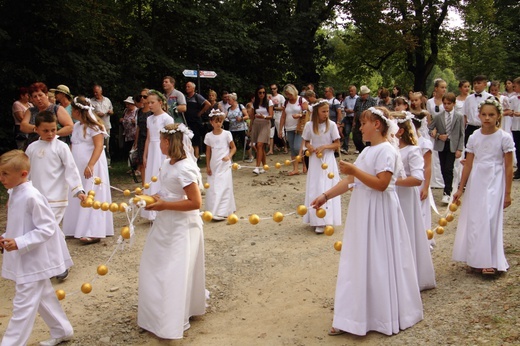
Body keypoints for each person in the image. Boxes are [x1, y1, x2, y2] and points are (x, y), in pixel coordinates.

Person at [312, 107, 423, 336]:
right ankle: (351, 317)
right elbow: (350, 181)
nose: (360, 128)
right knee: (357, 261)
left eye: (364, 123)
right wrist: (325, 196)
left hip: (380, 212)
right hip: (363, 210)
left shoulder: (387, 151)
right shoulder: (365, 152)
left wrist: (354, 170)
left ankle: (380, 316)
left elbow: (382, 184)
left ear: (377, 125)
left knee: (378, 261)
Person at [138, 122, 206, 339]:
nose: (159, 144)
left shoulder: (185, 168)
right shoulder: (168, 164)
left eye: (161, 141)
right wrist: (156, 198)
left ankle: (171, 321)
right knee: (155, 266)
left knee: (174, 271)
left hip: (181, 227)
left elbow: (195, 203)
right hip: (165, 224)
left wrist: (164, 205)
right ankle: (155, 315)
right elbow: (168, 190)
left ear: (168, 142)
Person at [0, 150, 74, 346]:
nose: (1, 178)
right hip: (27, 258)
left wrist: (20, 242)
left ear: (23, 174)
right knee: (44, 296)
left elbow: (47, 227)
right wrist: (7, 237)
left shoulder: (31, 196)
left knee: (22, 305)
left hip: (34, 259)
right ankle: (62, 330)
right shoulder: (15, 193)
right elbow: (20, 224)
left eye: (5, 174)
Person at [452, 98, 514, 275]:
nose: (487, 118)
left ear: (498, 116)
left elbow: (508, 166)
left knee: (490, 216)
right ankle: (476, 258)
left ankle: (490, 259)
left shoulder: (504, 137)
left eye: (491, 115)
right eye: (484, 114)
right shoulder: (474, 136)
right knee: (476, 218)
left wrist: (508, 193)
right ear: (478, 115)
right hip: (477, 179)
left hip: (495, 177)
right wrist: (460, 188)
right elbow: (469, 164)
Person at [62, 96, 114, 244]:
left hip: (93, 165)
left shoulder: (95, 127)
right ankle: (75, 227)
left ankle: (93, 230)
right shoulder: (77, 126)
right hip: (78, 165)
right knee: (79, 192)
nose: (71, 112)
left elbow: (98, 146)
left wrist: (91, 164)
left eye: (73, 110)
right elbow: (74, 145)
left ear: (79, 111)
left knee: (93, 193)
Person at [394, 111, 436, 290]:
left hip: (405, 195)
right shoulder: (391, 148)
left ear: (401, 131)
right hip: (392, 195)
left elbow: (418, 177)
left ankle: (413, 276)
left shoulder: (412, 150)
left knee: (408, 231)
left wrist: (391, 181)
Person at [302, 100, 341, 234]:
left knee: (327, 186)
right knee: (316, 186)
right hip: (315, 160)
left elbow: (337, 144)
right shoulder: (309, 125)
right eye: (323, 111)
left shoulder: (332, 125)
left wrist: (325, 146)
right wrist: (310, 147)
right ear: (316, 112)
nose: (326, 114)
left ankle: (326, 219)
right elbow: (306, 141)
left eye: (327, 111)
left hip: (328, 159)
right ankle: (316, 219)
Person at [141, 90, 175, 220]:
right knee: (151, 177)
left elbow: (170, 138)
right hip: (152, 150)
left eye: (152, 102)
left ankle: (163, 207)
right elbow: (149, 138)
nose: (149, 105)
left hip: (162, 150)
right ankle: (151, 208)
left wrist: (168, 155)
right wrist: (145, 155)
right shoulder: (149, 119)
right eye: (148, 102)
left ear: (160, 102)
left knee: (161, 176)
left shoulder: (167, 118)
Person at [429, 92, 464, 204]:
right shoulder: (438, 116)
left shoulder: (459, 116)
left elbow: (461, 133)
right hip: (442, 145)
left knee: (449, 168)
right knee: (443, 168)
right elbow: (430, 129)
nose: (446, 106)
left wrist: (459, 149)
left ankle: (447, 192)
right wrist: (438, 135)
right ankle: (448, 188)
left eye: (449, 103)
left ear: (454, 103)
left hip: (453, 145)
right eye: (444, 104)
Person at [204, 109, 236, 220]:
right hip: (214, 163)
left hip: (224, 164)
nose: (218, 124)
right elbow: (208, 152)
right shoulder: (208, 136)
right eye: (216, 121)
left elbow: (233, 148)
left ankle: (223, 210)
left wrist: (229, 156)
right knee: (213, 186)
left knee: (224, 185)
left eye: (220, 121)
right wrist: (208, 165)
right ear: (211, 122)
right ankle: (213, 208)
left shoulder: (227, 134)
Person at [20, 82, 73, 148]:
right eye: (35, 97)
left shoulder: (57, 109)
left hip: (55, 147)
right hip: (34, 147)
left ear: (46, 94)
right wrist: (36, 129)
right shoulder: (30, 111)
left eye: (40, 95)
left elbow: (70, 127)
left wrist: (53, 134)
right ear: (32, 99)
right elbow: (23, 126)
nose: (38, 99)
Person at [279, 84, 308, 175]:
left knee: (297, 147)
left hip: (300, 127)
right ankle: (295, 168)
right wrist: (280, 129)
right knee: (292, 148)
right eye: (287, 94)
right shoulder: (286, 102)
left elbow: (306, 111)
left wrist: (299, 115)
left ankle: (305, 164)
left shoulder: (301, 100)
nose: (288, 96)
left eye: (290, 94)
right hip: (289, 127)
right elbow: (283, 116)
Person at [426, 79, 447, 190]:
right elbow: (429, 117)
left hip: (445, 129)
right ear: (436, 88)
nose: (444, 89)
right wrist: (432, 129)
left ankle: (444, 179)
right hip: (434, 131)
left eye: (445, 87)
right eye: (442, 87)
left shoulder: (447, 101)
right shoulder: (430, 102)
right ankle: (435, 180)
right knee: (434, 155)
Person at [250, 85, 274, 175]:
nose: (262, 94)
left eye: (263, 92)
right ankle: (264, 166)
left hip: (265, 123)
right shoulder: (254, 103)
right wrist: (250, 128)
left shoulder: (269, 102)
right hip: (256, 123)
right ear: (257, 93)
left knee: (260, 144)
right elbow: (251, 117)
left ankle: (257, 167)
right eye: (260, 92)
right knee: (260, 146)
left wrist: (263, 116)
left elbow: (271, 115)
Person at [185, 82, 212, 160]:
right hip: (187, 121)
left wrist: (200, 112)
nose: (187, 88)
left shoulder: (197, 97)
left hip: (195, 121)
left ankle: (196, 156)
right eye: (186, 86)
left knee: (195, 139)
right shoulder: (185, 98)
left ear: (193, 88)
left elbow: (208, 104)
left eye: (188, 86)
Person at [463, 75, 492, 147]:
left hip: (484, 127)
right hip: (470, 128)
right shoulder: (468, 98)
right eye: (474, 83)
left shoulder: (490, 98)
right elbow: (464, 115)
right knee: (469, 150)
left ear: (485, 84)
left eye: (479, 83)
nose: (476, 85)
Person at [90, 84, 114, 167]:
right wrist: (96, 114)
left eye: (96, 92)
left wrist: (110, 112)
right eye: (94, 92)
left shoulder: (107, 100)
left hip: (106, 126)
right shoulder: (91, 101)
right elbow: (90, 113)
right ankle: (98, 162)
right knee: (97, 145)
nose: (95, 94)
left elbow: (112, 110)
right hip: (96, 127)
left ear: (101, 91)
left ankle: (107, 163)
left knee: (106, 146)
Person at [134, 92, 152, 181]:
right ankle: (144, 185)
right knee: (142, 163)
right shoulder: (139, 111)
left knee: (150, 161)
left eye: (144, 97)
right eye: (140, 96)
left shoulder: (152, 112)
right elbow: (138, 127)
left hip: (150, 138)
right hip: (141, 138)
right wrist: (136, 141)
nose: (142, 98)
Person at [352, 85, 376, 153]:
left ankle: (369, 151)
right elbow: (355, 110)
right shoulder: (358, 100)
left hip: (368, 121)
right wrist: (354, 121)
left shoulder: (372, 101)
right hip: (358, 120)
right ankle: (362, 150)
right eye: (361, 95)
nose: (362, 96)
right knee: (356, 137)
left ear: (367, 94)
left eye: (363, 95)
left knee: (368, 138)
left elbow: (375, 112)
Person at [340, 85, 358, 154]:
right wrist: (346, 110)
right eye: (349, 91)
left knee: (355, 133)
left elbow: (358, 109)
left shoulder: (358, 99)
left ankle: (357, 148)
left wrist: (353, 111)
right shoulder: (346, 99)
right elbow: (343, 107)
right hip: (348, 117)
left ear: (355, 91)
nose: (350, 92)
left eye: (352, 91)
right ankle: (345, 148)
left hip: (355, 117)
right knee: (346, 132)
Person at [119, 96, 137, 161]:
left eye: (128, 104)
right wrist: (122, 120)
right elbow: (123, 118)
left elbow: (139, 122)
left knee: (133, 150)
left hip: (134, 134)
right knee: (127, 149)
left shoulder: (136, 111)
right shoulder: (125, 111)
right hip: (127, 134)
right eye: (126, 104)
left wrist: (135, 122)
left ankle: (134, 165)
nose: (127, 105)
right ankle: (130, 165)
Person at [270, 84, 286, 154]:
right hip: (272, 116)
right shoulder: (270, 98)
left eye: (274, 88)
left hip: (279, 116)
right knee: (271, 134)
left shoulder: (281, 97)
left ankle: (285, 146)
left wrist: (274, 108)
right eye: (272, 89)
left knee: (281, 132)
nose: (273, 90)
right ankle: (272, 148)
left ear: (277, 89)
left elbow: (283, 108)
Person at [510, 77, 520, 180]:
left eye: (515, 86)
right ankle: (519, 169)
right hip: (516, 127)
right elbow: (510, 110)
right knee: (518, 148)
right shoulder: (513, 98)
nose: (514, 88)